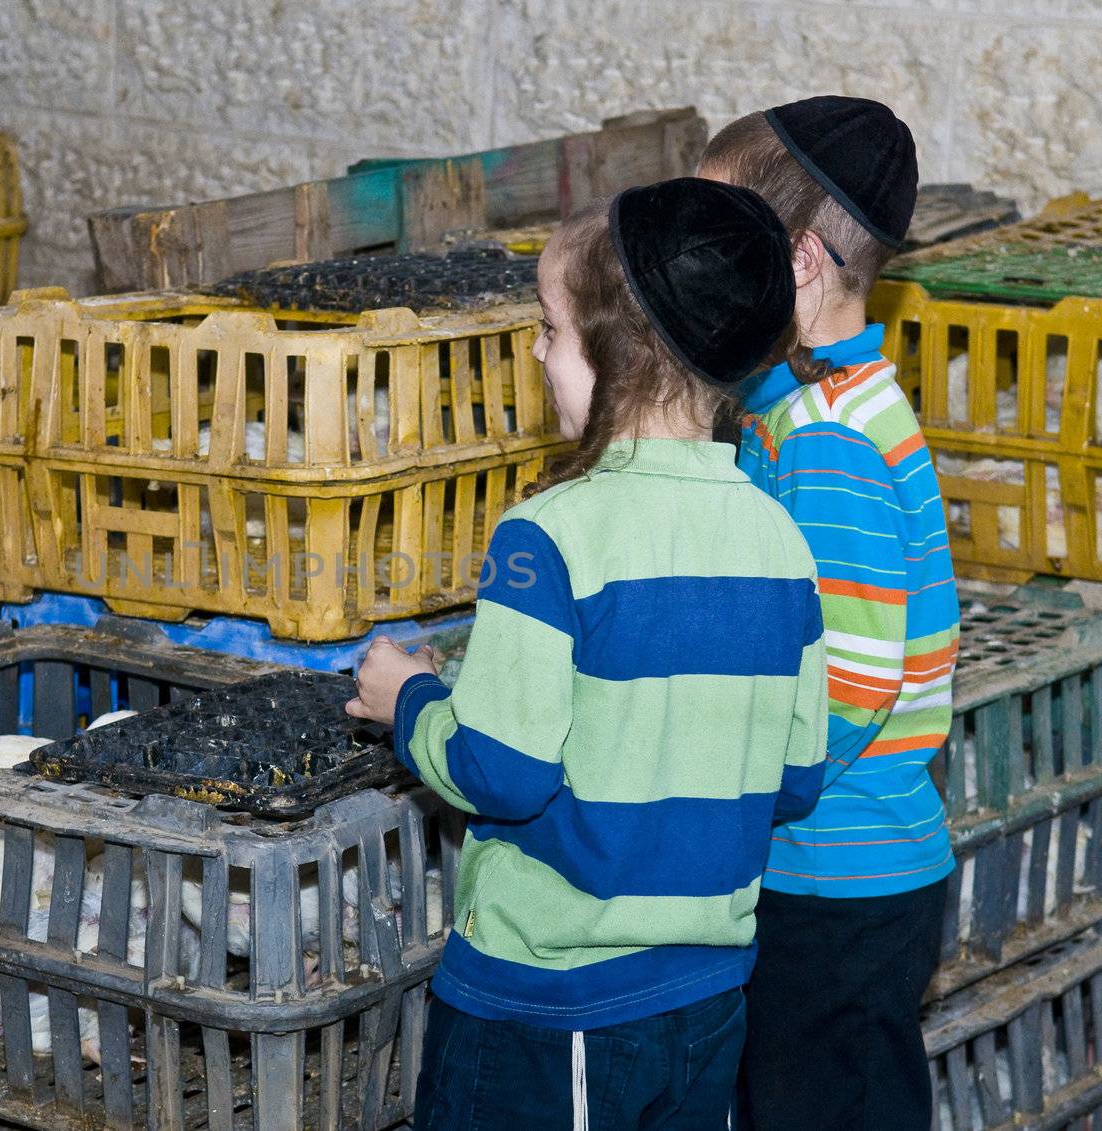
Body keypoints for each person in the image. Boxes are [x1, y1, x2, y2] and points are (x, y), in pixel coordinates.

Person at [347, 177, 829, 1130]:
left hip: (552, 1006)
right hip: (707, 996)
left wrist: (408, 698)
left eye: (550, 330)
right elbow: (796, 778)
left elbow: (504, 769)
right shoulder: (782, 541)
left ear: (622, 353)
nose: (536, 353)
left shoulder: (546, 537)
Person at [697, 96, 959, 1131]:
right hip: (834, 867)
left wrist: (735, 796)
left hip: (836, 877)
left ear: (798, 262)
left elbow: (851, 685)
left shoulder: (828, 439)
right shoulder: (801, 410)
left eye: (722, 238)